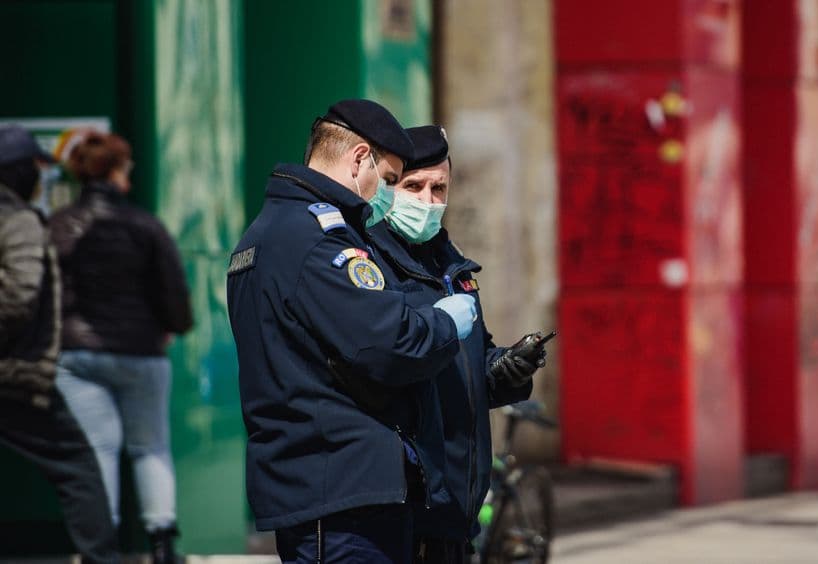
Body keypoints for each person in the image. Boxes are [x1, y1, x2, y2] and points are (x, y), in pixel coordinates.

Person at [226, 99, 477, 564]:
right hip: (338, 492)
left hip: (322, 483)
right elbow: (389, 344)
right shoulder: (317, 239)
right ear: (359, 158)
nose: (384, 195)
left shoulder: (267, 234)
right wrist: (444, 322)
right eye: (387, 180)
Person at [366, 125, 549, 563]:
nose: (428, 202)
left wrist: (504, 368)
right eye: (414, 186)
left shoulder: (452, 265)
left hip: (457, 516)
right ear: (388, 186)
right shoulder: (370, 265)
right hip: (404, 514)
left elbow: (468, 364)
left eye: (439, 188)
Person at [48, 131, 193, 564]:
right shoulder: (145, 225)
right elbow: (173, 293)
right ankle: (163, 543)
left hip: (74, 355)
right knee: (151, 446)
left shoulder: (56, 226)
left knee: (97, 451)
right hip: (141, 352)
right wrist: (173, 326)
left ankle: (98, 549)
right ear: (116, 172)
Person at [0, 125, 119, 564]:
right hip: (16, 375)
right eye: (35, 168)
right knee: (79, 467)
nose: (41, 178)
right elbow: (17, 297)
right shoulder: (18, 219)